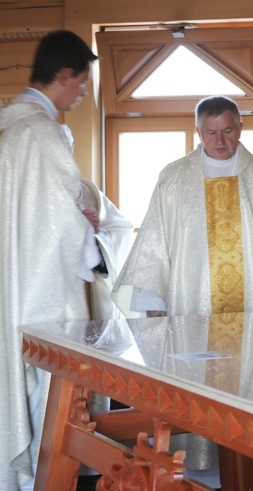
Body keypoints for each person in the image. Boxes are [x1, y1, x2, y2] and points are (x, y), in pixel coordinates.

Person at [112, 95, 253, 473]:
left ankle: (246, 467)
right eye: (211, 132)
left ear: (241, 128)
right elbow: (155, 244)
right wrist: (153, 300)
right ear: (198, 132)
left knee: (250, 384)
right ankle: (194, 463)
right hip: (189, 306)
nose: (220, 140)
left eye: (228, 130)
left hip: (251, 315)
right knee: (192, 388)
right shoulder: (174, 176)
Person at [0, 30, 100, 488]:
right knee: (43, 400)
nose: (82, 93)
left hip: (9, 285)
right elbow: (62, 224)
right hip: (37, 304)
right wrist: (90, 220)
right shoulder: (41, 135)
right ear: (64, 74)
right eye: (81, 83)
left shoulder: (8, 125)